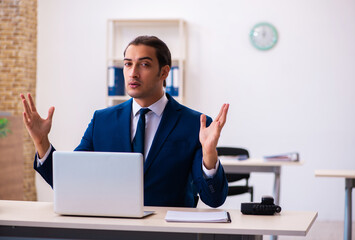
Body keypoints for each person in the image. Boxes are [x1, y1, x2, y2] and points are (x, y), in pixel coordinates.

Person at [20, 35, 229, 208]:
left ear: (164, 72)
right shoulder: (102, 120)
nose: (133, 72)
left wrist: (209, 154)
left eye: (144, 64)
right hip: (112, 228)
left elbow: (213, 199)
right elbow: (69, 182)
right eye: (128, 64)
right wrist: (41, 142)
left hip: (168, 231)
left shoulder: (193, 124)